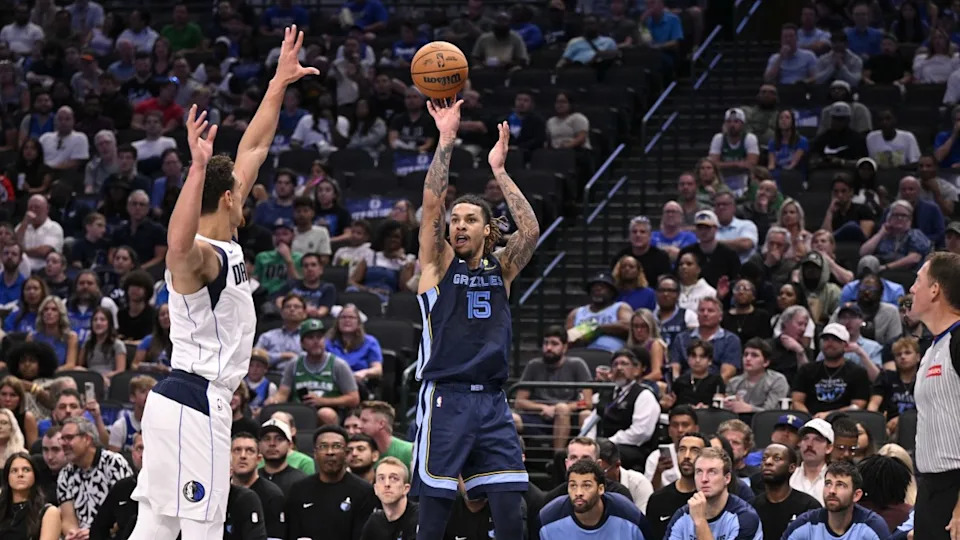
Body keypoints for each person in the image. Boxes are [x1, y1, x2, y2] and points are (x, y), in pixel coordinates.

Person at [129, 26, 317, 539]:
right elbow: (175, 245)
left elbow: (255, 144)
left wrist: (279, 82)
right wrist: (195, 170)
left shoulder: (226, 238)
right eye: (240, 189)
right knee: (204, 526)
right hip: (197, 399)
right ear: (228, 198)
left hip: (178, 400)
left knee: (157, 525)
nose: (249, 190)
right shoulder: (202, 257)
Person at [411, 98, 540, 539]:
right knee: (434, 514)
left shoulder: (502, 270)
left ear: (487, 230)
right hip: (446, 397)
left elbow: (530, 231)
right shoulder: (437, 266)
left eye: (470, 220)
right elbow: (432, 206)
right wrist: (446, 140)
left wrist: (499, 171)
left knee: (510, 513)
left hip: (492, 401)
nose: (460, 226)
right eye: (456, 221)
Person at [902, 251, 960, 539]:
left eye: (918, 280)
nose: (912, 289)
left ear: (935, 289)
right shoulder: (933, 348)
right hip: (930, 487)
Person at [284, 425, 378, 539]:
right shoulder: (299, 490)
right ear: (315, 453)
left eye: (336, 446)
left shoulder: (364, 491)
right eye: (323, 446)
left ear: (346, 453)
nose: (330, 452)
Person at [514, 326, 593, 450]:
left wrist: (560, 409)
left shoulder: (577, 365)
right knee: (511, 419)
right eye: (546, 343)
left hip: (568, 417)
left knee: (565, 410)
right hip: (538, 417)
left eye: (554, 344)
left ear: (565, 347)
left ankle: (558, 457)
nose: (549, 348)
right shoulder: (533, 365)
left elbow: (587, 402)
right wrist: (543, 408)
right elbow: (520, 401)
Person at [58, 416, 134, 538]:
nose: (63, 443)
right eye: (62, 438)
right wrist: (74, 534)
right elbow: (68, 519)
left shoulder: (113, 463)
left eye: (69, 438)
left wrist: (96, 533)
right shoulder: (65, 474)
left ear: (87, 439)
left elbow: (126, 513)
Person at [662, 447, 762, 539]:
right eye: (699, 472)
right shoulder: (683, 515)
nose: (704, 479)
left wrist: (700, 521)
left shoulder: (745, 517)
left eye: (712, 472)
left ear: (727, 478)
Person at [539, 458, 650, 539]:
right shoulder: (548, 519)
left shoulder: (628, 515)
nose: (578, 493)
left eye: (586, 485)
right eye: (573, 485)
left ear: (601, 489)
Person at [782, 460, 889, 539]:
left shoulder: (872, 526)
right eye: (828, 484)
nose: (832, 491)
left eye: (840, 485)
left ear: (856, 495)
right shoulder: (806, 523)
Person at [645, 433, 709, 539]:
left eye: (695, 451)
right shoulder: (658, 499)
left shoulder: (712, 497)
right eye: (682, 450)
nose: (687, 456)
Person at [752, 444, 821, 540]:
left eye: (777, 458)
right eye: (764, 458)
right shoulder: (752, 507)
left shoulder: (809, 507)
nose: (768, 462)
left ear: (791, 467)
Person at [229, 433, 285, 540]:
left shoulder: (272, 495)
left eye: (250, 451)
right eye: (237, 450)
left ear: (259, 459)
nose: (243, 456)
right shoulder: (221, 493)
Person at [0, 452, 61, 540]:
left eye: (26, 470)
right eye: (14, 471)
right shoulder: (2, 510)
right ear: (7, 477)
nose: (20, 474)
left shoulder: (48, 512)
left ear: (34, 475)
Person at [361, 457, 418, 540]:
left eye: (394, 478)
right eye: (381, 478)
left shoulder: (420, 517)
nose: (387, 484)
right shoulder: (374, 522)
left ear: (406, 489)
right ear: (375, 489)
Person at [257, 418, 308, 495]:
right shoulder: (252, 479)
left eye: (279, 439)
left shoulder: (301, 481)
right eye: (266, 439)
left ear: (290, 445)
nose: (272, 443)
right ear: (259, 445)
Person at [359, 401, 413, 470]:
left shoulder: (409, 451)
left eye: (364, 421)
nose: (359, 426)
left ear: (381, 424)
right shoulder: (359, 452)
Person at [107, 375, 155, 453]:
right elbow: (114, 459)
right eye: (143, 392)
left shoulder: (161, 425)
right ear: (132, 397)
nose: (148, 396)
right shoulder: (120, 426)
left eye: (151, 392)